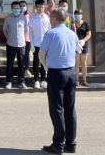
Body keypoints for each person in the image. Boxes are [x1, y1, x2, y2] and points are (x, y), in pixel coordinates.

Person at [39, 9, 79, 154]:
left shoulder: (50, 33)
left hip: (56, 73)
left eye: (50, 17)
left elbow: (41, 54)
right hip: (71, 72)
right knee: (70, 109)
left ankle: (58, 144)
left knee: (57, 109)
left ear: (55, 19)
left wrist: (46, 67)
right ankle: (71, 143)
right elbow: (76, 52)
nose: (50, 20)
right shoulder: (72, 34)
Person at [2, 1, 28, 89]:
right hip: (11, 44)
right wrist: (9, 37)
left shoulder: (23, 18)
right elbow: (4, 30)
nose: (16, 10)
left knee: (21, 64)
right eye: (14, 8)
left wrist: (21, 38)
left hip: (21, 44)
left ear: (20, 9)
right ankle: (9, 81)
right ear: (11, 9)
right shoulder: (7, 18)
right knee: (10, 63)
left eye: (17, 8)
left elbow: (25, 29)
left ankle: (21, 82)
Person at [29, 0, 51, 89]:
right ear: (36, 7)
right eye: (38, 7)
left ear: (44, 7)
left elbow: (49, 30)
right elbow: (30, 32)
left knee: (44, 62)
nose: (40, 8)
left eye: (42, 7)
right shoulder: (32, 18)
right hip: (36, 43)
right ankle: (36, 80)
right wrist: (31, 43)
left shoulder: (47, 17)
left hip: (45, 44)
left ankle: (43, 80)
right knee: (36, 62)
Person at [74, 9, 91, 87]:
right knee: (76, 63)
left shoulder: (85, 24)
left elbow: (89, 34)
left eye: (79, 14)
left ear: (82, 15)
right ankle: (77, 80)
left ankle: (84, 80)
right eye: (76, 14)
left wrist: (83, 40)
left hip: (84, 45)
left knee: (83, 63)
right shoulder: (73, 24)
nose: (77, 16)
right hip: (75, 45)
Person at [20, 0, 32, 78]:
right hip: (20, 38)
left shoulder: (30, 16)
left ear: (27, 7)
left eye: (24, 6)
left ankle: (27, 69)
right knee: (21, 55)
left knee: (27, 54)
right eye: (21, 6)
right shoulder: (17, 15)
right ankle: (20, 69)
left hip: (28, 38)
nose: (23, 7)